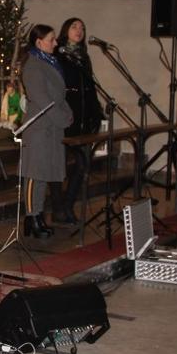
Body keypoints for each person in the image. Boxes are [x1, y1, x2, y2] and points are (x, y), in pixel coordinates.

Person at [19, 24, 73, 238]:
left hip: (51, 127)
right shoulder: (33, 66)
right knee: (34, 175)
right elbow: (42, 99)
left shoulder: (49, 62)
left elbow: (60, 96)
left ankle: (38, 214)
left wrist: (69, 113)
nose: (56, 43)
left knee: (44, 174)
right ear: (39, 42)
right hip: (39, 127)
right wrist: (62, 118)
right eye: (51, 39)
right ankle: (31, 217)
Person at [55, 18, 105, 225]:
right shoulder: (59, 55)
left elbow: (90, 86)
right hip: (66, 116)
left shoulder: (83, 56)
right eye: (75, 27)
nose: (79, 31)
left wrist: (96, 111)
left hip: (83, 118)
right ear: (65, 30)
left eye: (82, 28)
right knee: (58, 166)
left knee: (82, 164)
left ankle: (67, 207)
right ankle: (59, 209)